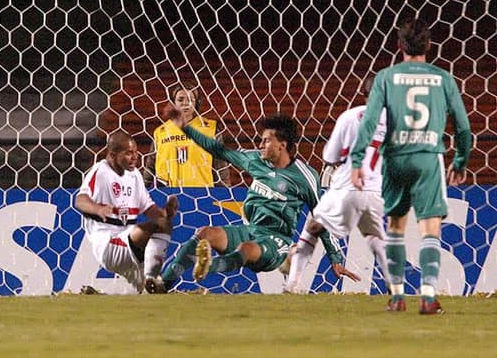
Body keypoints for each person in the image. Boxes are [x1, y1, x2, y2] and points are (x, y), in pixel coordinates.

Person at [156, 110, 360, 292]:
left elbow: (320, 216)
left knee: (246, 249)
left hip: (275, 241)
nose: (260, 145)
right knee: (204, 234)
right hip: (251, 229)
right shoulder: (255, 160)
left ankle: (207, 266)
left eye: (266, 140)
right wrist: (185, 127)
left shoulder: (305, 177)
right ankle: (162, 284)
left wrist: (336, 258)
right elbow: (218, 150)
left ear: (282, 145)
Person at [351, 17, 472, 315]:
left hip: (395, 158)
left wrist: (357, 161)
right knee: (430, 228)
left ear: (399, 45)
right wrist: (460, 159)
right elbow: (464, 127)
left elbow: (368, 122)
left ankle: (397, 296)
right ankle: (428, 296)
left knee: (395, 227)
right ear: (429, 45)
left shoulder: (385, 77)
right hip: (428, 157)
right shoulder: (443, 78)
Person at [283, 78, 390, 293]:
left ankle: (292, 283)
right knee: (375, 236)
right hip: (376, 191)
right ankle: (394, 286)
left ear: (364, 93)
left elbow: (330, 155)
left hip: (345, 188)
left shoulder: (350, 116)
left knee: (313, 228)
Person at [75, 130, 178, 294]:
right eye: (129, 153)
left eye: (136, 152)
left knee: (150, 295)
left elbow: (148, 208)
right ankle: (152, 277)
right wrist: (98, 208)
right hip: (108, 242)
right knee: (150, 228)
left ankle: (97, 296)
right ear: (112, 155)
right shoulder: (101, 171)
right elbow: (80, 200)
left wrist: (165, 213)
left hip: (129, 241)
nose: (135, 157)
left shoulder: (135, 175)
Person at [143, 84, 229, 188]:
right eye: (180, 99)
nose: (185, 103)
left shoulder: (211, 129)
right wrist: (143, 191)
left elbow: (221, 167)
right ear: (173, 103)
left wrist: (226, 193)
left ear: (197, 103)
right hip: (168, 194)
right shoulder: (161, 132)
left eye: (190, 100)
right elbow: (150, 167)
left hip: (203, 194)